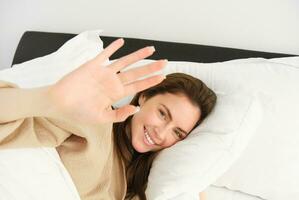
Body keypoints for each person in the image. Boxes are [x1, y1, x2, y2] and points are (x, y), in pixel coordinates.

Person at [0, 38, 216, 200]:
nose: (162, 132)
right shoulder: (94, 121)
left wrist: (194, 180)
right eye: (162, 113)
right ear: (144, 95)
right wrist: (50, 98)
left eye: (177, 132)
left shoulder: (142, 182)